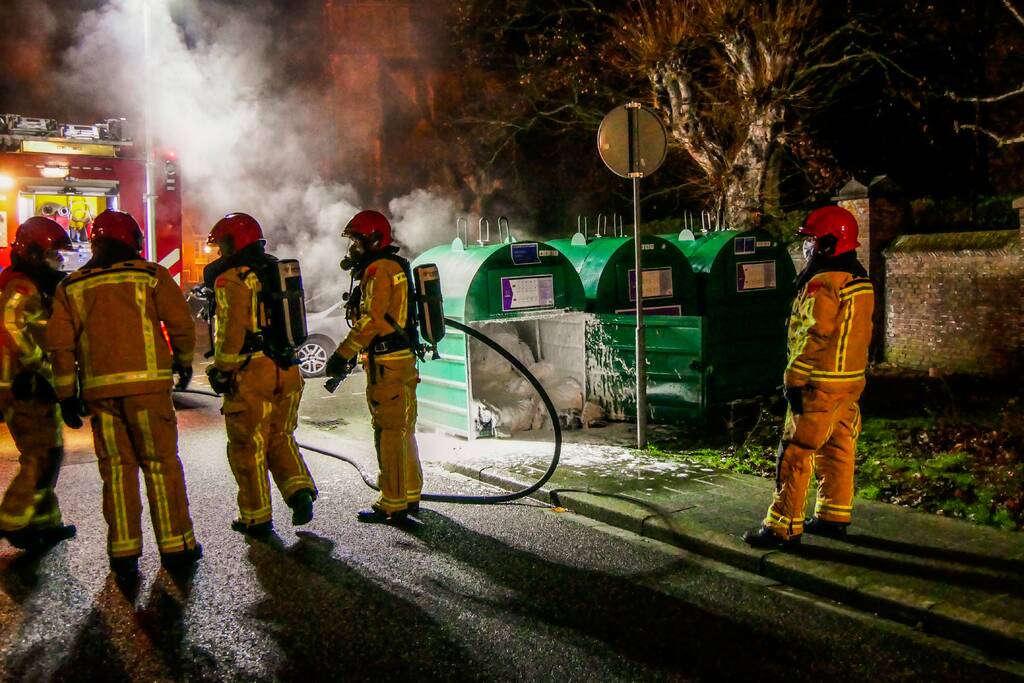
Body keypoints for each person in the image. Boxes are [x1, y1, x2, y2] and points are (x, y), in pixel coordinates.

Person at [46, 209, 201, 573]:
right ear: (132, 241)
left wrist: (66, 395)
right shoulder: (151, 275)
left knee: (116, 471)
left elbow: (60, 346)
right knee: (161, 465)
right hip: (148, 390)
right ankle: (176, 546)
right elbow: (179, 321)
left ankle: (123, 551)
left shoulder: (71, 286)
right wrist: (182, 361)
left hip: (100, 394)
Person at [744, 206, 875, 548]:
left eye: (812, 241)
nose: (807, 248)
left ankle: (781, 527)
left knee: (796, 452)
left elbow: (813, 333)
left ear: (830, 243)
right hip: (850, 382)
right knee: (838, 447)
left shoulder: (824, 283)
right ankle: (833, 515)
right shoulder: (860, 280)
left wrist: (794, 378)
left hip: (819, 383)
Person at [204, 213, 317, 537]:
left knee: (247, 446)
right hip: (289, 368)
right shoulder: (275, 271)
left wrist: (222, 370)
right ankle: (299, 491)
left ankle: (256, 517)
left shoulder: (232, 279)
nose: (219, 254)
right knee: (280, 437)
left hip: (253, 374)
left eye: (221, 246)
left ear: (232, 243)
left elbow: (230, 332)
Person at [325, 210, 422, 523]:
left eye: (356, 241)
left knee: (389, 432)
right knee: (404, 429)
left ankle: (392, 502)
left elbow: (372, 319)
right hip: (403, 359)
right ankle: (410, 493)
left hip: (387, 364)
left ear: (374, 240)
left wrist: (342, 353)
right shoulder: (395, 266)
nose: (353, 248)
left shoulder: (378, 270)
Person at [0, 217, 78, 550]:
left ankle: (44, 521)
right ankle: (13, 519)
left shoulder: (32, 283)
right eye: (53, 256)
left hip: (31, 381)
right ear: (32, 253)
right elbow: (13, 331)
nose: (58, 264)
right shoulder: (20, 287)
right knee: (42, 452)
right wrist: (39, 369)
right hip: (23, 384)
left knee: (51, 449)